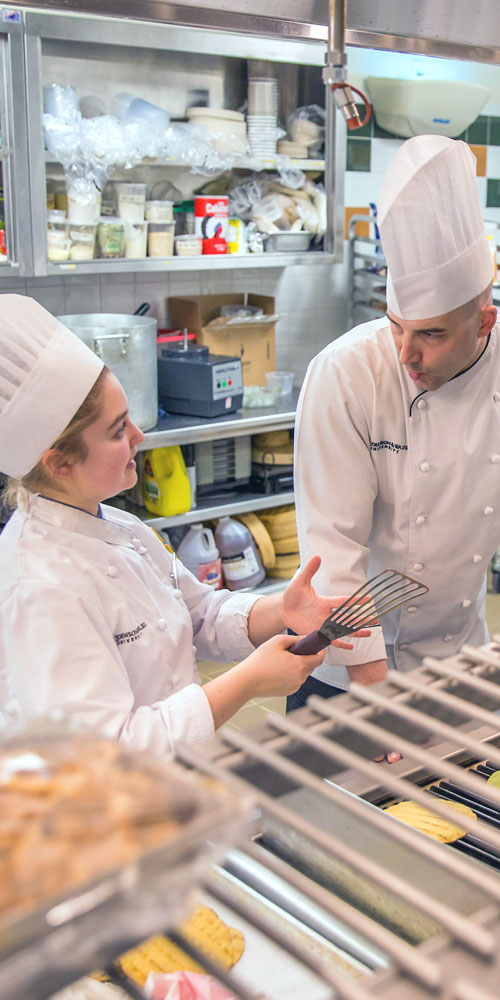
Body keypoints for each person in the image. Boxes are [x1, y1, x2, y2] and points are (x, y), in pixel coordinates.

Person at [0, 295, 368, 754]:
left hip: (173, 795)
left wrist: (279, 612)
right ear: (58, 463)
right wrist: (247, 682)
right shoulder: (39, 589)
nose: (139, 436)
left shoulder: (119, 525)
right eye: (118, 430)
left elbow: (197, 615)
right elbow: (108, 755)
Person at [290, 133, 500, 712]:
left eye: (431, 334)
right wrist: (376, 698)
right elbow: (333, 548)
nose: (406, 354)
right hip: (345, 675)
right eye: (395, 326)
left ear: (485, 321)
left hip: (459, 665)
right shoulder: (345, 374)